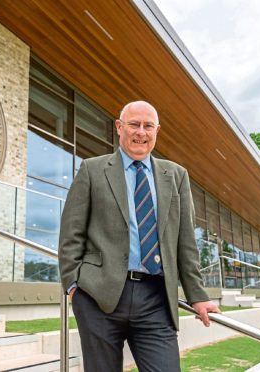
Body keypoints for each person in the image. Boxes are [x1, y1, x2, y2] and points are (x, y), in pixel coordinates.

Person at [58, 101, 221, 372]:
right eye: (134, 124)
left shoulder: (176, 176)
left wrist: (197, 295)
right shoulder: (92, 170)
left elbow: (186, 242)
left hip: (155, 298)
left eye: (148, 126)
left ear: (156, 131)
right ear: (119, 128)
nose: (141, 132)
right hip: (98, 296)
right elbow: (70, 234)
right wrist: (73, 286)